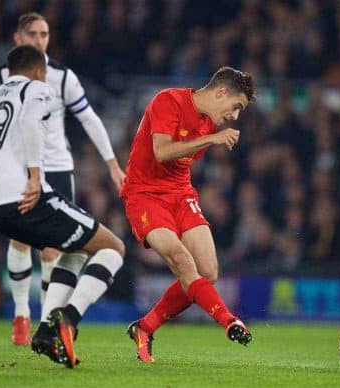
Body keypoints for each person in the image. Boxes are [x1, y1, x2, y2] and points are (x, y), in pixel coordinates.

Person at [0, 45, 125, 368]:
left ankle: (45, 330)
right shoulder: (37, 88)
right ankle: (68, 318)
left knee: (75, 250)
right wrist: (35, 176)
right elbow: (29, 120)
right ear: (39, 70)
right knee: (113, 247)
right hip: (28, 197)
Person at [120, 66, 255, 362]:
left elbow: (180, 164)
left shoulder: (208, 124)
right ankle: (228, 321)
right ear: (220, 92)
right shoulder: (168, 101)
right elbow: (162, 152)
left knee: (208, 271)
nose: (235, 116)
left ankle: (144, 327)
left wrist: (211, 137)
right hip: (145, 195)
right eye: (236, 107)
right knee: (182, 260)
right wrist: (212, 140)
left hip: (181, 194)